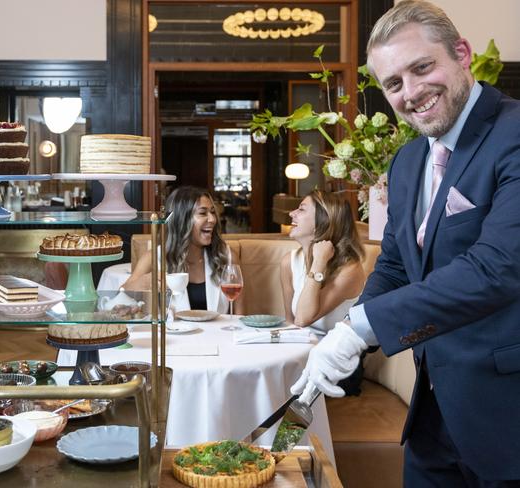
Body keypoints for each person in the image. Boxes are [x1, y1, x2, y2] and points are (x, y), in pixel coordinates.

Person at [290, 1, 520, 485]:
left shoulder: (513, 134)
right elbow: (395, 265)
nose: (411, 92)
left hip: (506, 416)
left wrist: (360, 329)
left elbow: (496, 268)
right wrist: (350, 329)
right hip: (432, 418)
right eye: (394, 83)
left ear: (462, 53)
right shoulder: (409, 160)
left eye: (422, 67)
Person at [124, 185, 244, 314]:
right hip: (171, 334)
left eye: (213, 212)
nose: (213, 219)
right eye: (203, 213)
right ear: (181, 220)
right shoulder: (153, 258)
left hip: (218, 334)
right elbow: (122, 293)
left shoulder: (226, 256)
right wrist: (144, 282)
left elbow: (240, 317)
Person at [281, 190, 365, 333]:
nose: (291, 213)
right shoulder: (289, 262)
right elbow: (291, 323)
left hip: (336, 351)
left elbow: (302, 318)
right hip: (301, 346)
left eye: (301, 209)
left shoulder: (349, 270)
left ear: (323, 221)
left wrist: (319, 261)